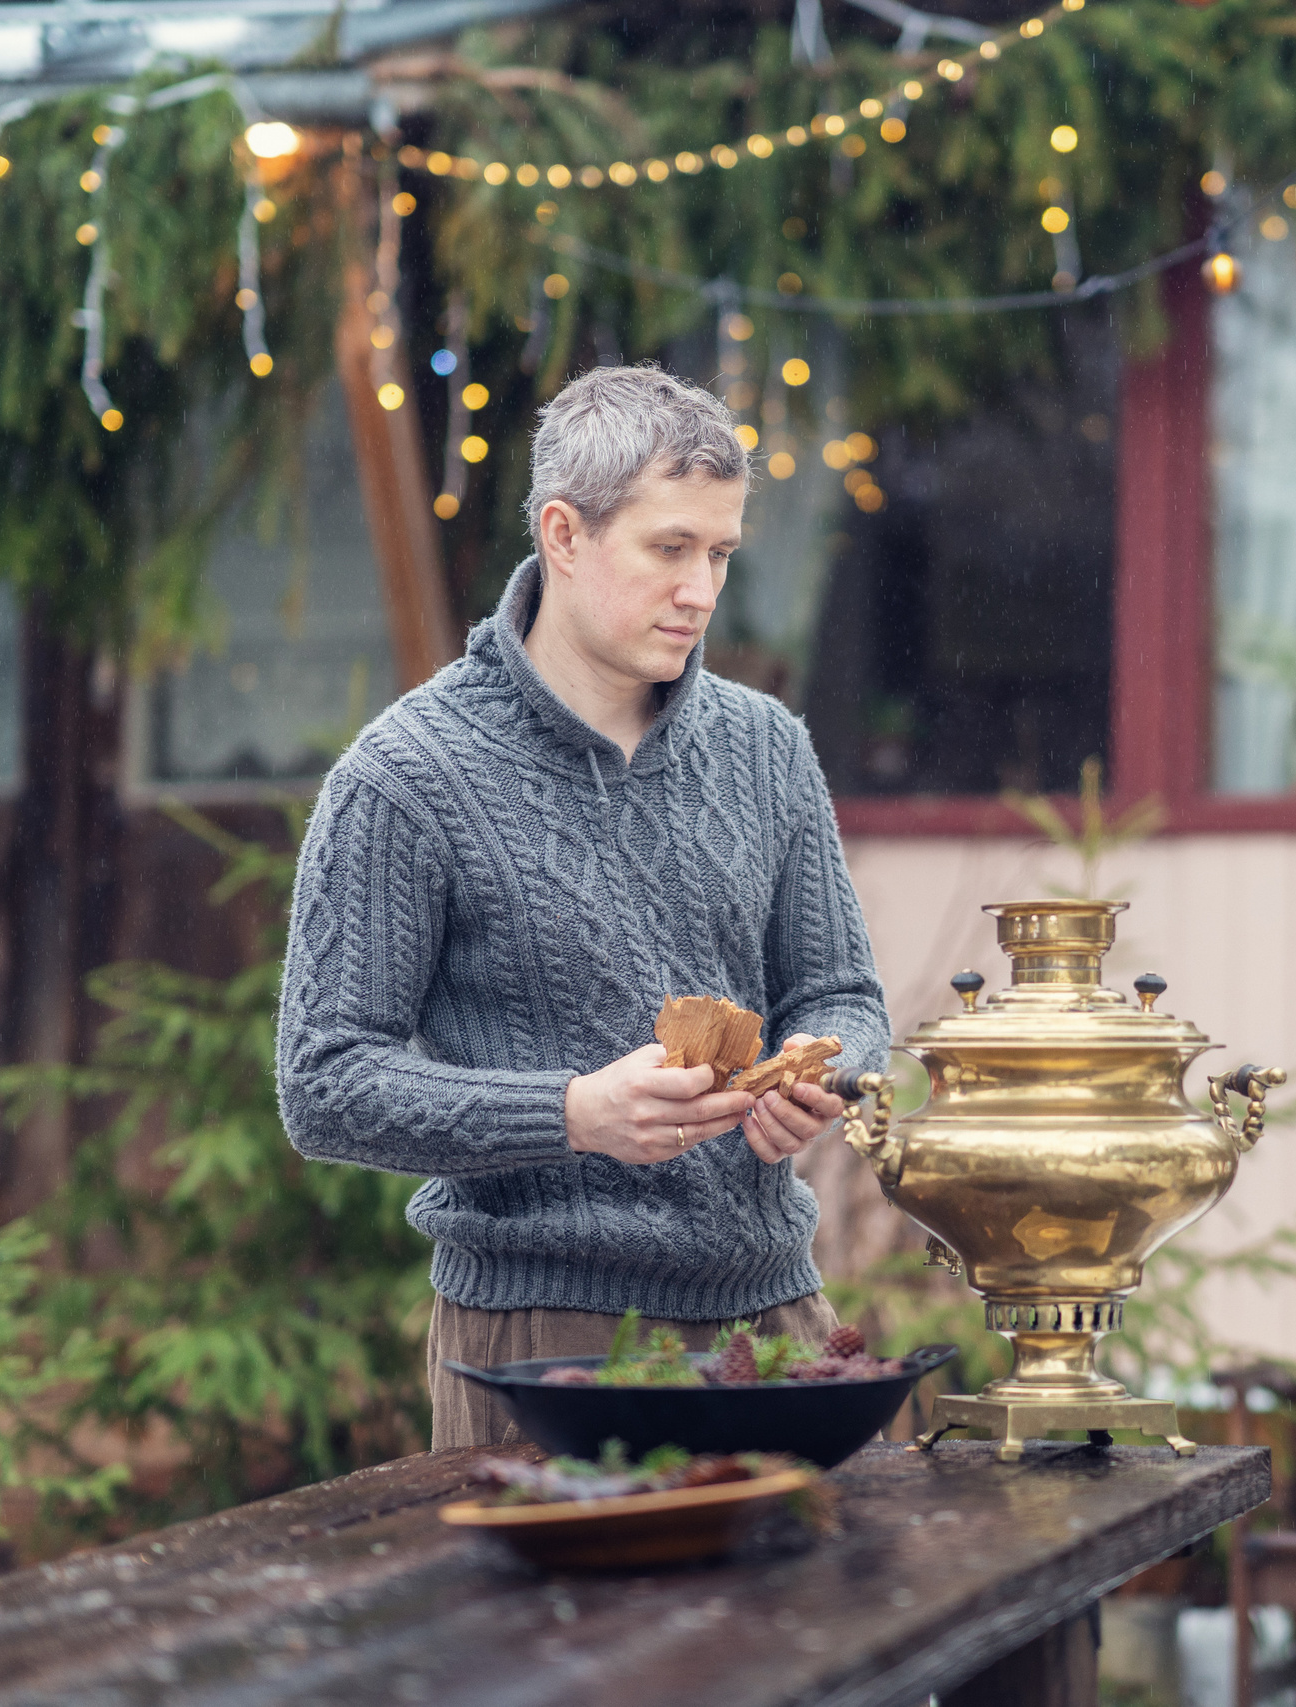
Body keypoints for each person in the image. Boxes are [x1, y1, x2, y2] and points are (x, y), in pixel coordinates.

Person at [275, 363, 889, 1449]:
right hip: (538, 1342)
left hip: (776, 1323)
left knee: (832, 1621)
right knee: (559, 1628)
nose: (701, 590)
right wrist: (569, 1115)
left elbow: (839, 990)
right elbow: (325, 1083)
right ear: (563, 534)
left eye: (720, 554)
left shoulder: (766, 747)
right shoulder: (405, 777)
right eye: (668, 549)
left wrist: (824, 1072)